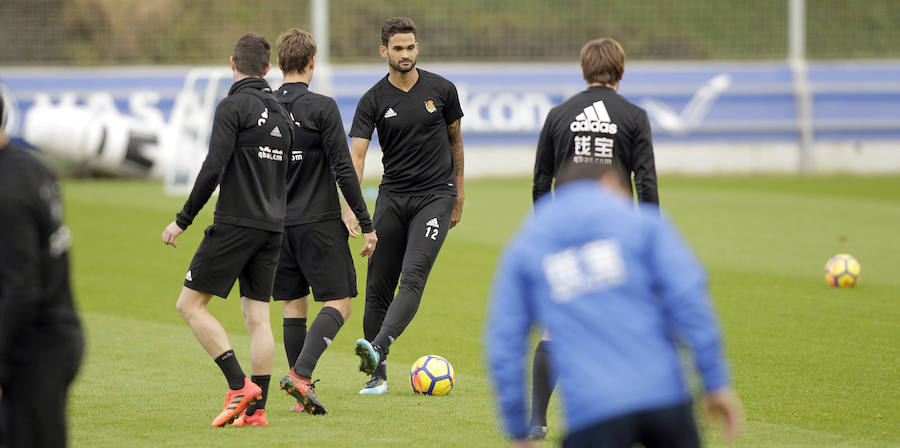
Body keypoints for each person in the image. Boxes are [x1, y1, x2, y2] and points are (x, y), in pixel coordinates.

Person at [486, 162, 743, 447]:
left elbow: (505, 341)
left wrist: (518, 428)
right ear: (610, 182)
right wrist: (715, 383)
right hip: (665, 398)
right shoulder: (644, 224)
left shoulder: (527, 243)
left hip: (592, 413)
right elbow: (689, 301)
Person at [527, 37, 661, 439]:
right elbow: (647, 184)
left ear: (584, 70)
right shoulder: (634, 116)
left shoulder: (558, 114)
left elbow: (539, 183)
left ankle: (536, 421)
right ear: (621, 70)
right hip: (615, 232)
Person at [160, 33, 292, 427]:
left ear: (231, 64)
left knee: (189, 305)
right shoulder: (283, 115)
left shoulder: (232, 106)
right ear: (268, 70)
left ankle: (239, 386)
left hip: (237, 223)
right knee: (258, 318)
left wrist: (182, 219)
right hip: (273, 227)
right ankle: (257, 411)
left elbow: (212, 168)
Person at [247, 28, 378, 421]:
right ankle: (300, 376)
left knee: (293, 305)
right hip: (318, 222)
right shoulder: (322, 107)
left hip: (275, 224)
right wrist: (366, 222)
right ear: (311, 63)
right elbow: (343, 169)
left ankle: (297, 388)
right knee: (340, 302)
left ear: (280, 64)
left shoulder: (262, 107)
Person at [347, 17, 465, 394]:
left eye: (411, 47)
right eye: (398, 48)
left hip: (436, 196)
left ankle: (377, 348)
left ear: (418, 47)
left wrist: (458, 194)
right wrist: (352, 206)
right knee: (378, 287)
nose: (406, 55)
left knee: (412, 277)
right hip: (392, 197)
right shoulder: (373, 100)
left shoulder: (443, 90)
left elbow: (456, 143)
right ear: (384, 51)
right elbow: (357, 158)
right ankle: (376, 377)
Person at [0, 91, 84, 447]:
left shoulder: (8, 191)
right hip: (56, 334)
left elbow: (21, 287)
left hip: (37, 348)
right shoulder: (32, 166)